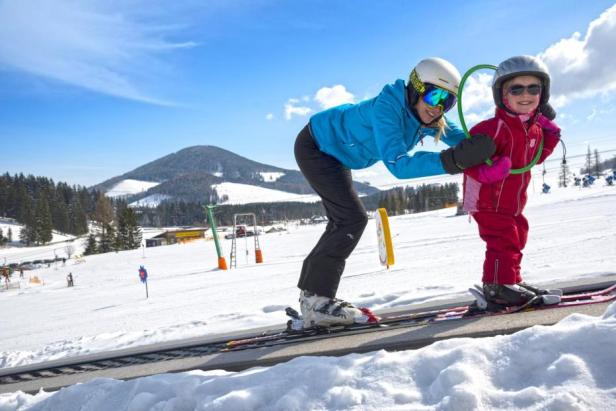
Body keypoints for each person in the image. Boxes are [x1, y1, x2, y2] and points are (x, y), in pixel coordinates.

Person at [294, 57, 496, 326]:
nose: (438, 107)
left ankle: (312, 298)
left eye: (447, 102)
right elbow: (398, 165)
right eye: (435, 95)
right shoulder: (387, 107)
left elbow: (469, 142)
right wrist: (453, 160)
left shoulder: (430, 114)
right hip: (317, 146)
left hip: (339, 155)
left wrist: (505, 143)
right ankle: (316, 301)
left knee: (346, 219)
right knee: (350, 219)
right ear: (415, 88)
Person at [462, 55, 561, 307]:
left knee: (518, 235)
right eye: (516, 88)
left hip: (512, 202)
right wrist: (487, 172)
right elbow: (467, 160)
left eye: (533, 88)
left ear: (543, 93)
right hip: (487, 200)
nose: (525, 94)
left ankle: (511, 279)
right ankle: (497, 286)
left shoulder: (534, 128)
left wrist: (550, 134)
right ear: (502, 95)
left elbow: (536, 158)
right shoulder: (492, 128)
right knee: (503, 238)